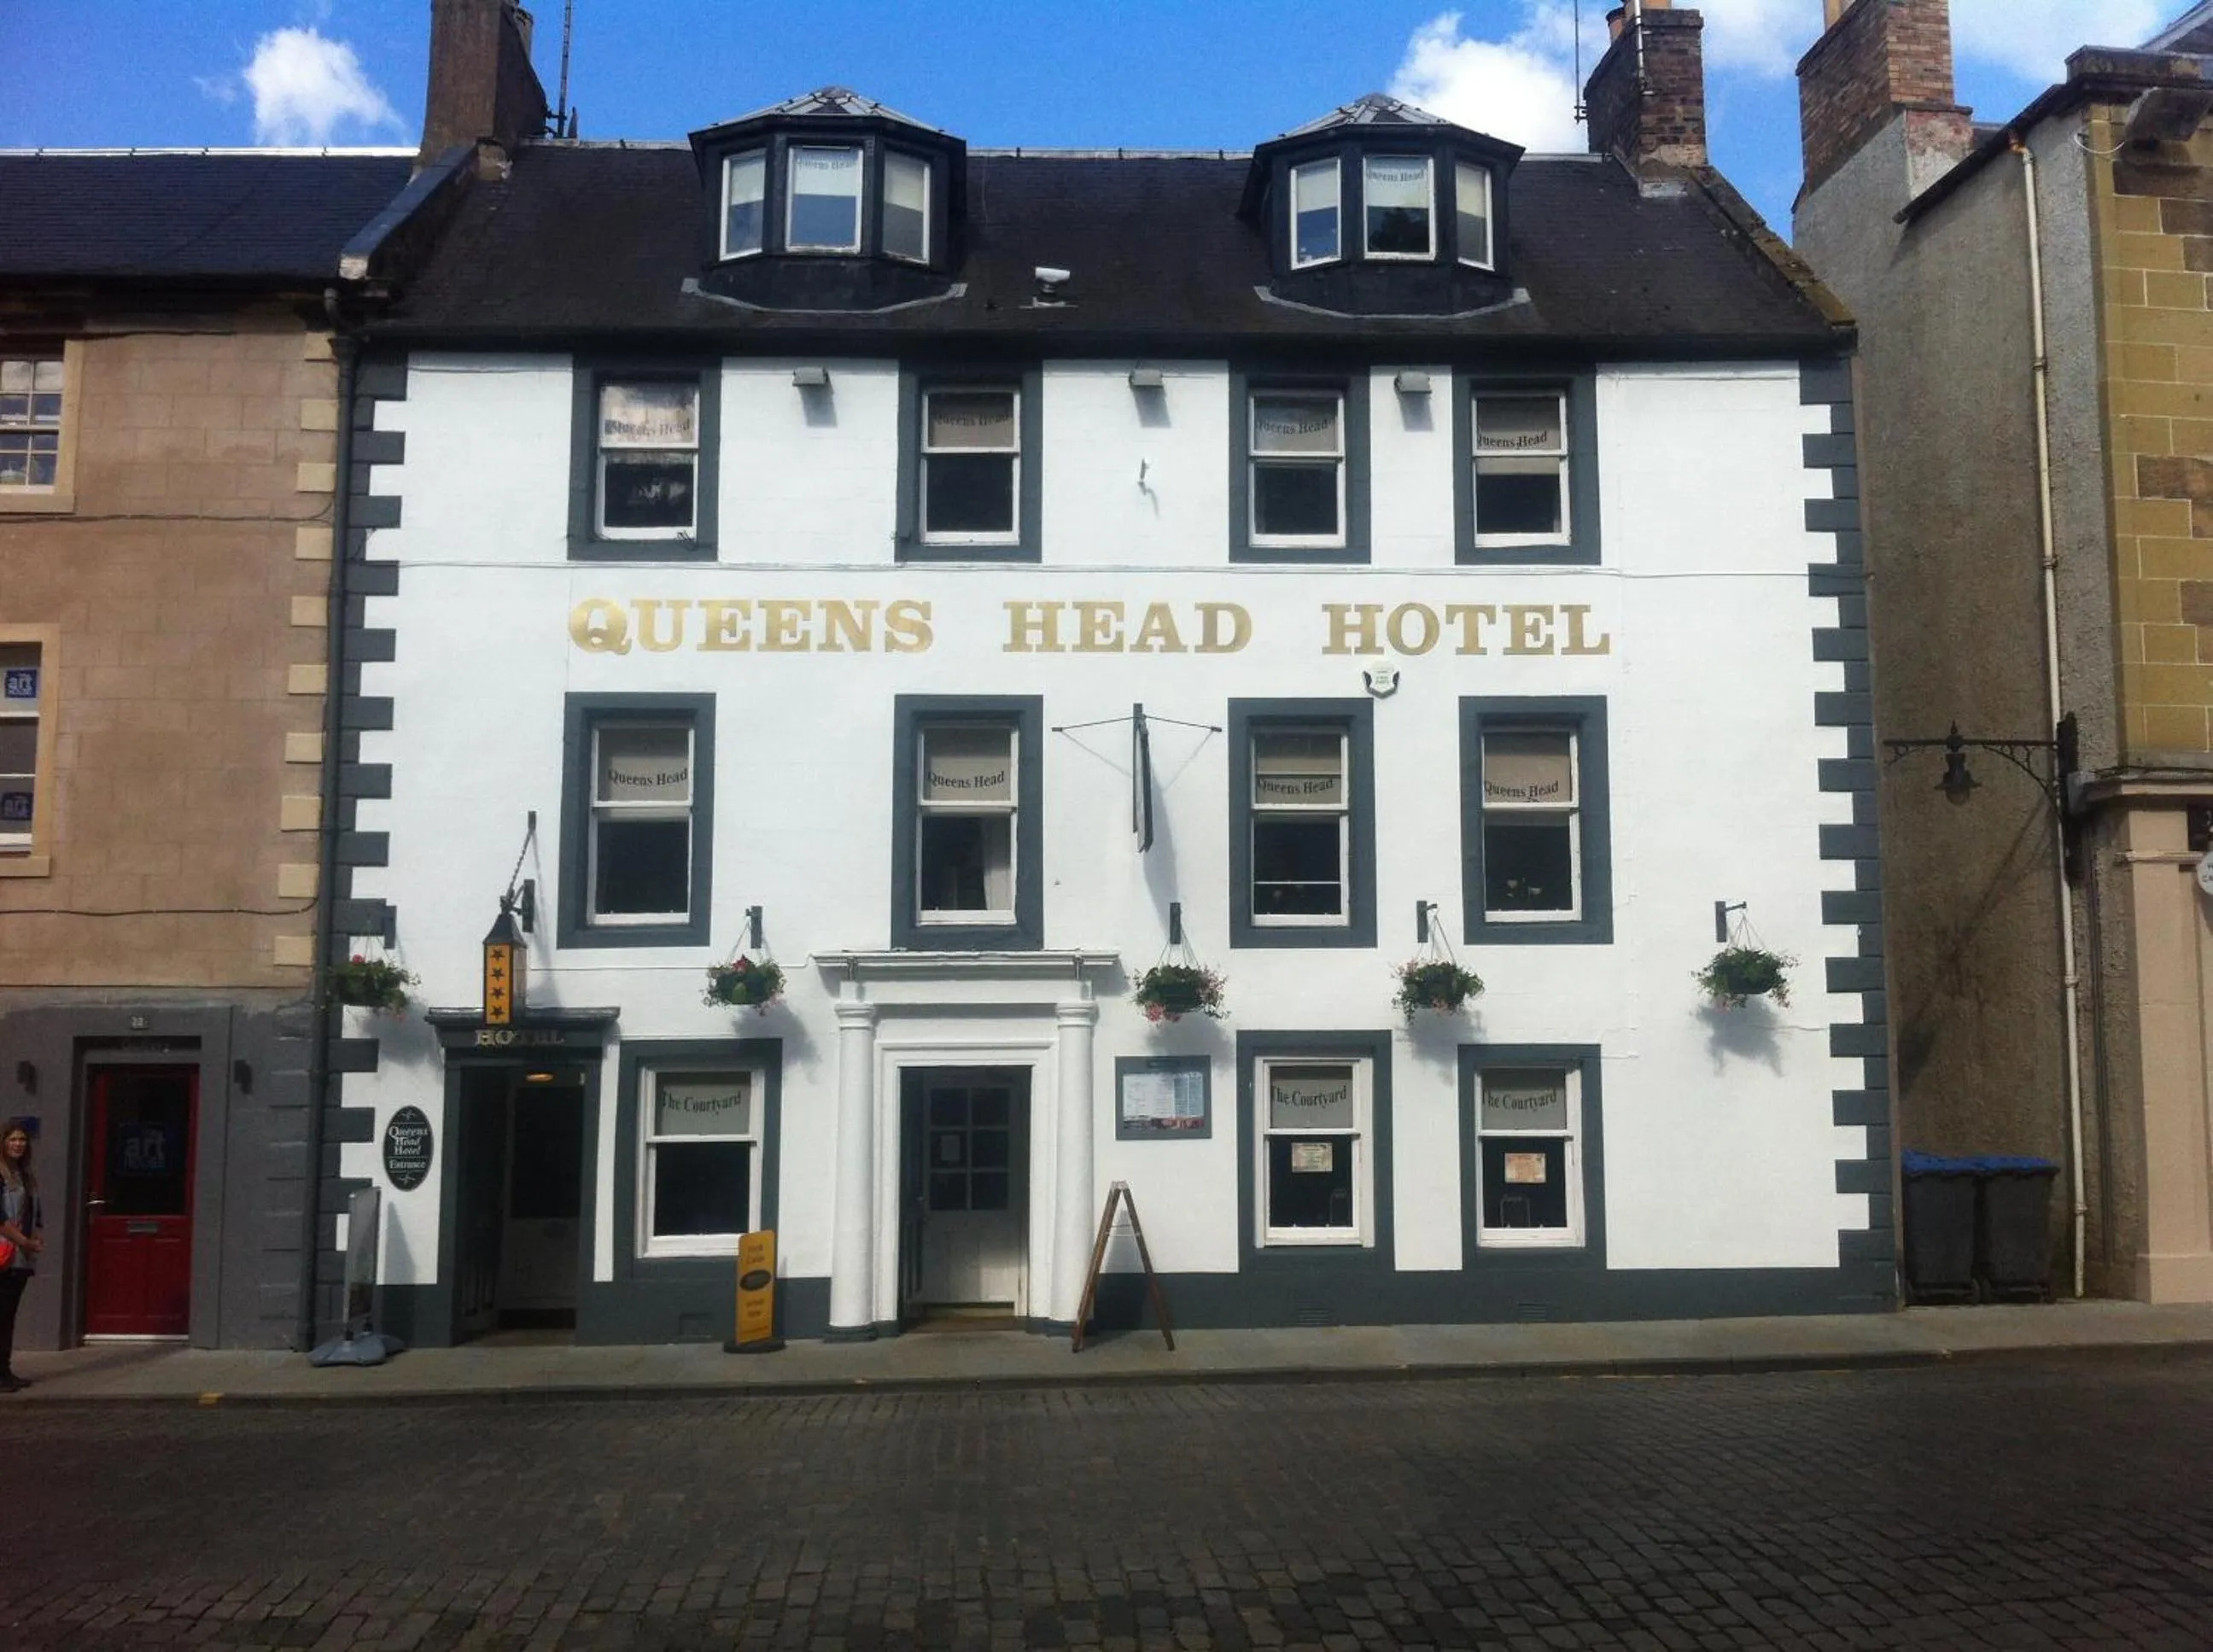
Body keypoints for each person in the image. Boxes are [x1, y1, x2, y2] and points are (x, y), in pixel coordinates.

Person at [0, 1118, 43, 1392]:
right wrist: (24, 1241)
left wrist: (37, 1235)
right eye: (13, 1139)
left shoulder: (25, 1175)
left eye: (22, 1140)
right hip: (4, 1253)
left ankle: (4, 1370)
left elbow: (35, 1212)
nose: (18, 1144)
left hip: (20, 1257)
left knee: (8, 1316)